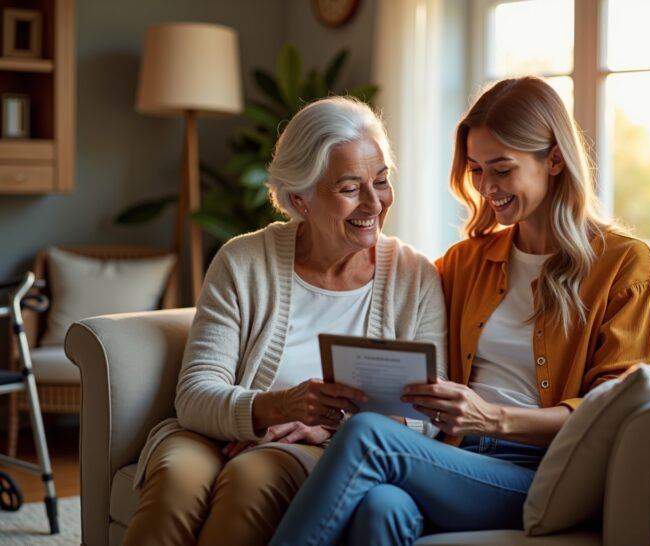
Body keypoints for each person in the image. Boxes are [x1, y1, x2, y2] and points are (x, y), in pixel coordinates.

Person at [269, 76, 650, 546]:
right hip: (453, 458)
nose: (486, 188)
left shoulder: (623, 262)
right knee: (381, 508)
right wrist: (319, 421)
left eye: (501, 169)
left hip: (548, 473)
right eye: (476, 170)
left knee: (368, 437)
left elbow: (617, 409)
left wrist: (492, 418)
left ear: (554, 159)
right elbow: (404, 368)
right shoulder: (465, 262)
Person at [122, 96, 447, 546]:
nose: (374, 202)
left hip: (320, 446)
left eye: (381, 181)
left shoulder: (415, 277)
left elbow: (428, 414)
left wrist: (325, 427)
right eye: (351, 187)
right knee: (175, 481)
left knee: (251, 480)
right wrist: (278, 407)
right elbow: (194, 396)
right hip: (212, 433)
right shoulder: (243, 260)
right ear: (301, 197)